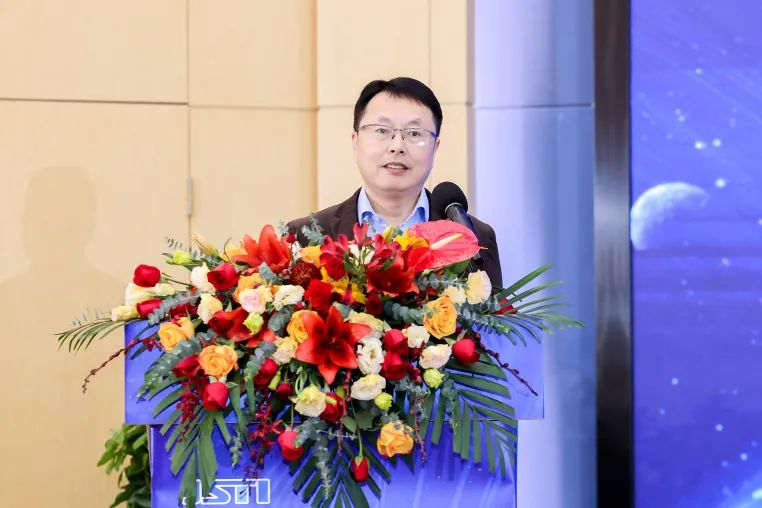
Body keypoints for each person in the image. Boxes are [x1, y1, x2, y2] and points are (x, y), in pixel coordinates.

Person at [288, 77, 502, 287]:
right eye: (382, 130)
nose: (397, 146)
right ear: (356, 141)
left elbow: (494, 311)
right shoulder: (303, 235)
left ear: (435, 148)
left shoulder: (475, 237)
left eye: (414, 133)